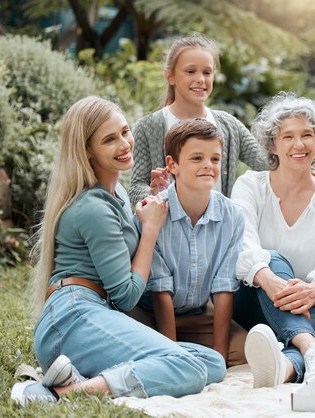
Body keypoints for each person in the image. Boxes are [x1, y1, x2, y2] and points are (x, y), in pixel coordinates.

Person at [11, 97, 226, 405]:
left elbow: (125, 253)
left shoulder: (118, 193)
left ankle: (81, 380)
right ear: (87, 150)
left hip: (95, 312)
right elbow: (126, 294)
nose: (125, 143)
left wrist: (156, 199)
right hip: (72, 318)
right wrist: (150, 230)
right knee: (187, 366)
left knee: (211, 362)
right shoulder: (93, 207)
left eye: (125, 131)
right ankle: (62, 393)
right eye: (110, 139)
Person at [129, 35, 315, 209]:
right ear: (170, 76)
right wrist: (153, 194)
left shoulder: (228, 126)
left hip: (216, 236)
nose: (200, 79)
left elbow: (273, 162)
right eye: (190, 71)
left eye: (207, 73)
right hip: (167, 235)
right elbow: (136, 185)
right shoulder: (150, 127)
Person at [231, 93, 315, 387]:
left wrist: (314, 289)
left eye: (307, 135)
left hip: (311, 305)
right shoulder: (250, 186)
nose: (299, 145)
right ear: (273, 144)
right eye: (287, 136)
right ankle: (313, 349)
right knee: (272, 258)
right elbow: (241, 244)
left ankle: (288, 366)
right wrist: (268, 279)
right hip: (252, 300)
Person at [127, 118, 247, 367]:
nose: (208, 166)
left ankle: (197, 353)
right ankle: (174, 354)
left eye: (215, 159)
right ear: (172, 164)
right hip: (148, 313)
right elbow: (160, 290)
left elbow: (223, 289)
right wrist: (174, 357)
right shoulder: (153, 212)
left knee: (245, 352)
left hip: (197, 314)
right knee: (132, 348)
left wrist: (219, 356)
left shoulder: (232, 215)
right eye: (197, 158)